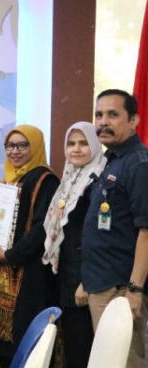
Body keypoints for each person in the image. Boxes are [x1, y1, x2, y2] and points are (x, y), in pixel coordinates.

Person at [0, 125, 59, 367]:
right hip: (4, 268)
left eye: (23, 145)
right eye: (10, 146)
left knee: (22, 343)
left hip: (29, 275)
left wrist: (12, 255)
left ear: (34, 147)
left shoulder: (45, 179)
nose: (15, 151)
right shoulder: (12, 179)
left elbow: (42, 227)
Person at [81, 89, 148, 368]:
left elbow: (146, 231)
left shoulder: (138, 164)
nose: (103, 121)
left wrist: (135, 289)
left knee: (126, 363)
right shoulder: (113, 159)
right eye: (98, 114)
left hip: (121, 288)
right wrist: (88, 280)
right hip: (102, 283)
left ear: (134, 120)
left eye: (112, 114)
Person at [43, 122, 104, 367]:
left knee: (83, 351)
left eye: (83, 143)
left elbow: (98, 239)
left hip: (84, 281)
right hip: (65, 277)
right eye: (71, 143)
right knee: (70, 349)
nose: (76, 149)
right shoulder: (68, 181)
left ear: (96, 145)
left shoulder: (98, 184)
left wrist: (86, 282)